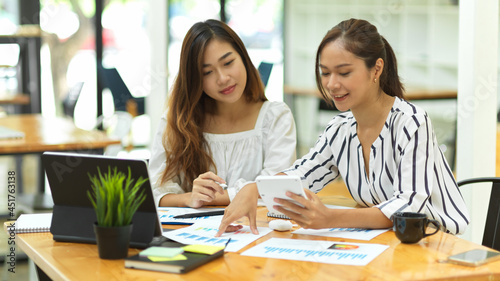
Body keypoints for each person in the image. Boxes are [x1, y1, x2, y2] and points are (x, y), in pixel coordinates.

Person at [217, 18, 469, 236]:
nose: (331, 84)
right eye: (325, 73)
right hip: (385, 241)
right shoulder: (340, 129)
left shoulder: (410, 121)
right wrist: (255, 188)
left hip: (433, 242)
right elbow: (302, 175)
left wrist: (331, 219)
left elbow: (408, 207)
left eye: (344, 73)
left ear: (376, 69)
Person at [149, 19, 297, 209]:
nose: (223, 78)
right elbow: (154, 190)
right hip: (191, 235)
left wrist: (209, 198)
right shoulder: (179, 119)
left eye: (228, 63)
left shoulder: (275, 117)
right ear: (194, 79)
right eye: (207, 72)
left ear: (243, 57)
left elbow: (276, 188)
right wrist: (189, 198)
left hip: (256, 232)